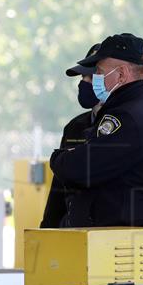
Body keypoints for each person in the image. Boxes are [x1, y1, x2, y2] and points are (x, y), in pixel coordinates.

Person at [50, 33, 143, 227]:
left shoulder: (127, 118)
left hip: (121, 244)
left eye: (98, 72)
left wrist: (59, 158)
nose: (95, 79)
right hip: (115, 241)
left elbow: (80, 169)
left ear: (121, 74)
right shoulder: (137, 110)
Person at [40, 43, 102, 228]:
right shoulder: (74, 127)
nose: (84, 82)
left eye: (91, 76)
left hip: (105, 232)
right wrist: (47, 228)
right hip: (70, 229)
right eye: (83, 76)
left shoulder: (124, 125)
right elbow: (58, 188)